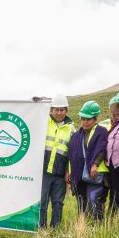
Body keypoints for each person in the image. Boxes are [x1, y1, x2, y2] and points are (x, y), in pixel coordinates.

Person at [67, 101, 108, 219]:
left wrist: (95, 164)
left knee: (94, 199)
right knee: (81, 201)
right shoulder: (76, 136)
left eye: (88, 119)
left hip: (95, 174)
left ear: (95, 119)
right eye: (83, 119)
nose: (85, 122)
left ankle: (97, 227)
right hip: (79, 174)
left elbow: (102, 149)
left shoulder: (101, 131)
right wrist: (71, 171)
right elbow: (71, 155)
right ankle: (83, 226)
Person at [41, 94, 75, 228]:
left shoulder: (71, 128)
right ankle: (41, 229)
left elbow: (72, 153)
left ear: (66, 111)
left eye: (62, 110)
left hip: (60, 174)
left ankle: (55, 229)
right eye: (56, 109)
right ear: (51, 110)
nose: (59, 112)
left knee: (57, 203)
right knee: (42, 202)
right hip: (43, 172)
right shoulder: (44, 122)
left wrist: (69, 172)